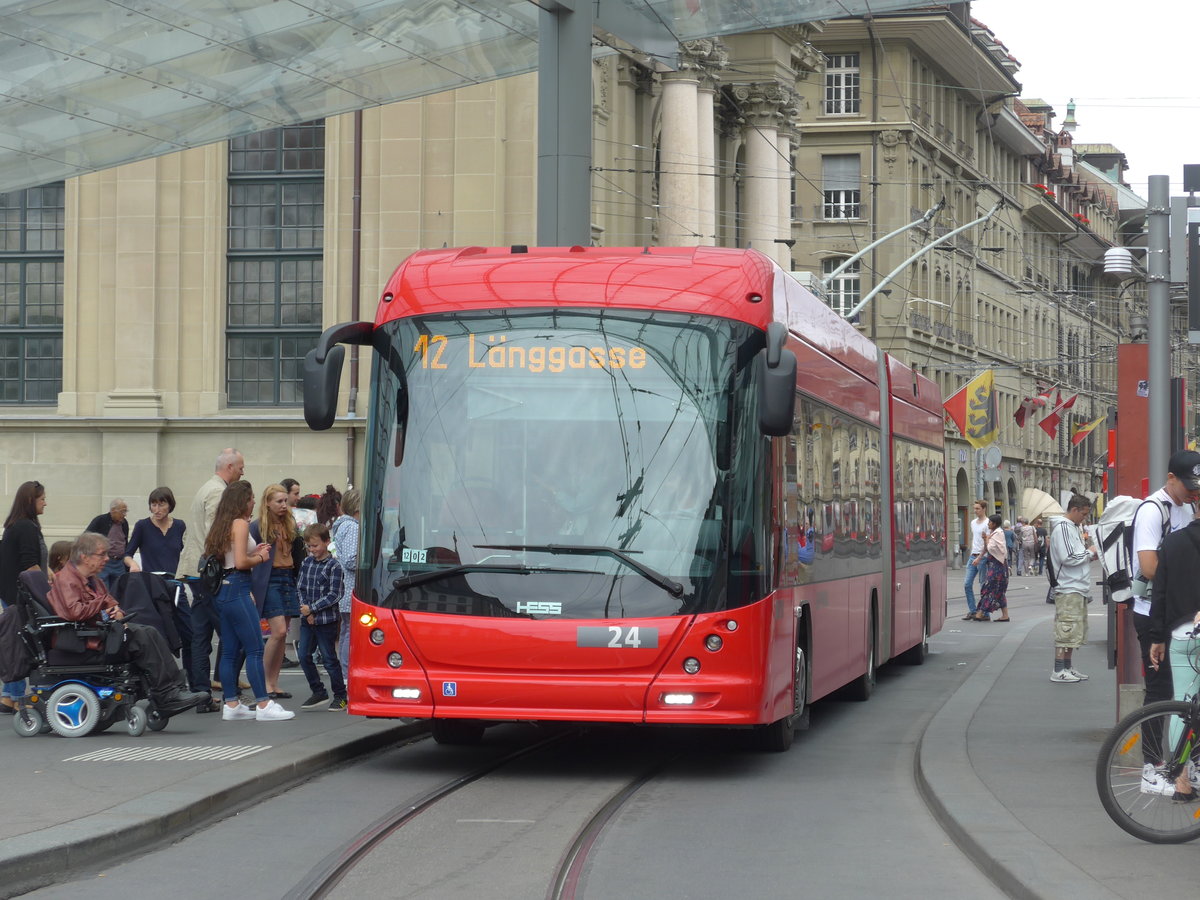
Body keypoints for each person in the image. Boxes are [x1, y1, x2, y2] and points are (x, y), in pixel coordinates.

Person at [47, 533, 208, 714]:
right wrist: (103, 607)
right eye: (102, 554)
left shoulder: (94, 579)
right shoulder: (65, 579)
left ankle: (173, 689)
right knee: (141, 637)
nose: (107, 558)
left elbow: (112, 604)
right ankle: (166, 694)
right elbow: (73, 611)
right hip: (85, 640)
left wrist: (116, 612)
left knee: (150, 631)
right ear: (85, 557)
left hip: (101, 632)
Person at [204, 480, 294, 722]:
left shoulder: (221, 525)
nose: (253, 501)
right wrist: (261, 557)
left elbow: (232, 557)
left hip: (224, 589)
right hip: (239, 587)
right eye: (251, 498)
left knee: (230, 650)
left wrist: (254, 553)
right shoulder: (240, 524)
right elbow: (242, 562)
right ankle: (264, 704)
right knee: (255, 647)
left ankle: (231, 703)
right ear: (242, 501)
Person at [1130, 451, 1200, 716]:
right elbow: (1148, 567)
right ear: (1171, 478)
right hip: (1152, 612)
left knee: (1186, 691)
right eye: (1190, 487)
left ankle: (1185, 755)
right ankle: (1152, 757)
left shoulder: (1186, 507)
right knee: (1159, 690)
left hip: (1178, 611)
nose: (1194, 494)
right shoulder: (1152, 510)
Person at [178, 448, 246, 701]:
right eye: (240, 467)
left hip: (197, 571)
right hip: (210, 573)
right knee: (233, 630)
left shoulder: (207, 487)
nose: (242, 472)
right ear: (229, 467)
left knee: (201, 634)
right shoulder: (218, 492)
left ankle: (201, 690)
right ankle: (226, 688)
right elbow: (214, 534)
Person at [1147, 505, 1200, 800]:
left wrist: (1157, 637)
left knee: (1183, 703)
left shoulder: (1173, 542)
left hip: (1183, 633)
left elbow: (1160, 592)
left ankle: (1181, 780)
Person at [250, 484, 303, 699]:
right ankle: (262, 682)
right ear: (268, 503)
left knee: (283, 634)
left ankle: (273, 682)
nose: (284, 505)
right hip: (269, 579)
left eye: (284, 501)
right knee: (278, 631)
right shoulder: (257, 527)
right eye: (279, 501)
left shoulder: (290, 524)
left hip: (287, 577)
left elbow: (298, 554)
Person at [0, 481, 47, 713]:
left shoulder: (16, 525)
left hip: (11, 593)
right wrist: (47, 593)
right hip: (18, 595)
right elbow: (31, 565)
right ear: (31, 501)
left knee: (14, 640)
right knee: (18, 643)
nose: (45, 503)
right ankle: (17, 697)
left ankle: (9, 696)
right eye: (42, 499)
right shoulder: (26, 527)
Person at [1048, 494, 1099, 684]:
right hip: (1069, 586)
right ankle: (1059, 669)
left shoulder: (1071, 527)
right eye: (1083, 514)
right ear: (1075, 510)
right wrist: (1090, 552)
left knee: (1072, 629)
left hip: (1075, 586)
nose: (1084, 518)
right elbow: (1069, 557)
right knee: (1066, 628)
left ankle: (1067, 667)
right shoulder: (1063, 528)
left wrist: (1088, 554)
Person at [296, 523, 347, 710]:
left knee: (329, 659)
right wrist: (305, 609)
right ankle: (318, 691)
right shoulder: (306, 563)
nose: (312, 550)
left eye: (315, 545)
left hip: (326, 621)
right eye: (309, 546)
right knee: (303, 655)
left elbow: (335, 594)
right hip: (307, 618)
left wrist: (312, 609)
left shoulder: (334, 566)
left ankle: (341, 695)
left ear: (327, 542)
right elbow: (300, 587)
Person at [330, 488, 361, 684]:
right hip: (350, 586)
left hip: (344, 586)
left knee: (346, 631)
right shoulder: (353, 527)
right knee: (350, 631)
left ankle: (344, 672)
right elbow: (351, 560)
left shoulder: (342, 525)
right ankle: (347, 673)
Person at [124, 487, 186, 576]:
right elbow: (127, 555)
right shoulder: (142, 526)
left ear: (170, 505)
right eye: (153, 505)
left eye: (161, 505)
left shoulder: (179, 525)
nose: (157, 510)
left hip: (174, 582)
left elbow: (186, 554)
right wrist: (133, 564)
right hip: (152, 583)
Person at [85, 498, 130, 594]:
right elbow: (86, 537)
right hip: (104, 563)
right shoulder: (100, 520)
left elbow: (125, 541)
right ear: (113, 510)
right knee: (103, 591)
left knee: (119, 591)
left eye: (126, 511)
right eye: (123, 511)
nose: (125, 514)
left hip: (119, 563)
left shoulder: (124, 523)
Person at [974, 514, 1009, 622]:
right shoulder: (992, 534)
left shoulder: (998, 533)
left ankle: (980, 613)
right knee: (997, 590)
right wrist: (979, 558)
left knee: (989, 587)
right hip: (994, 564)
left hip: (998, 565)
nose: (988, 523)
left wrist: (986, 539)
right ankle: (1005, 615)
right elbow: (985, 548)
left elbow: (991, 548)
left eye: (990, 522)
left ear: (994, 523)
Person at [962, 500, 988, 621]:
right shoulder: (973, 522)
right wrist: (974, 555)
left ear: (984, 509)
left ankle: (984, 613)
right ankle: (973, 611)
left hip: (983, 557)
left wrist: (980, 557)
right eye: (975, 508)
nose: (975, 510)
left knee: (983, 585)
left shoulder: (988, 523)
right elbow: (976, 539)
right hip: (973, 555)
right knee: (967, 584)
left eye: (978, 508)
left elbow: (987, 542)